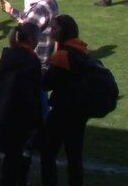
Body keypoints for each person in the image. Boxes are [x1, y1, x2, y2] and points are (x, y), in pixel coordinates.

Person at [40, 14, 91, 186]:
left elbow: (47, 83)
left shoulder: (62, 56)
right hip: (80, 111)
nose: (50, 30)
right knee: (74, 156)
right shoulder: (82, 49)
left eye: (54, 28)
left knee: (47, 153)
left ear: (63, 32)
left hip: (63, 111)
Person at [0, 23, 42, 185]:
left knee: (10, 158)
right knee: (19, 159)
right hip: (21, 118)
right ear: (31, 39)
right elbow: (32, 94)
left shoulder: (7, 56)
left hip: (5, 113)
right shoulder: (31, 61)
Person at [1, 0, 59, 71]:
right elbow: (28, 18)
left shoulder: (39, 9)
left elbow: (27, 31)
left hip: (37, 61)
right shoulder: (52, 2)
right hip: (48, 57)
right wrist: (11, 10)